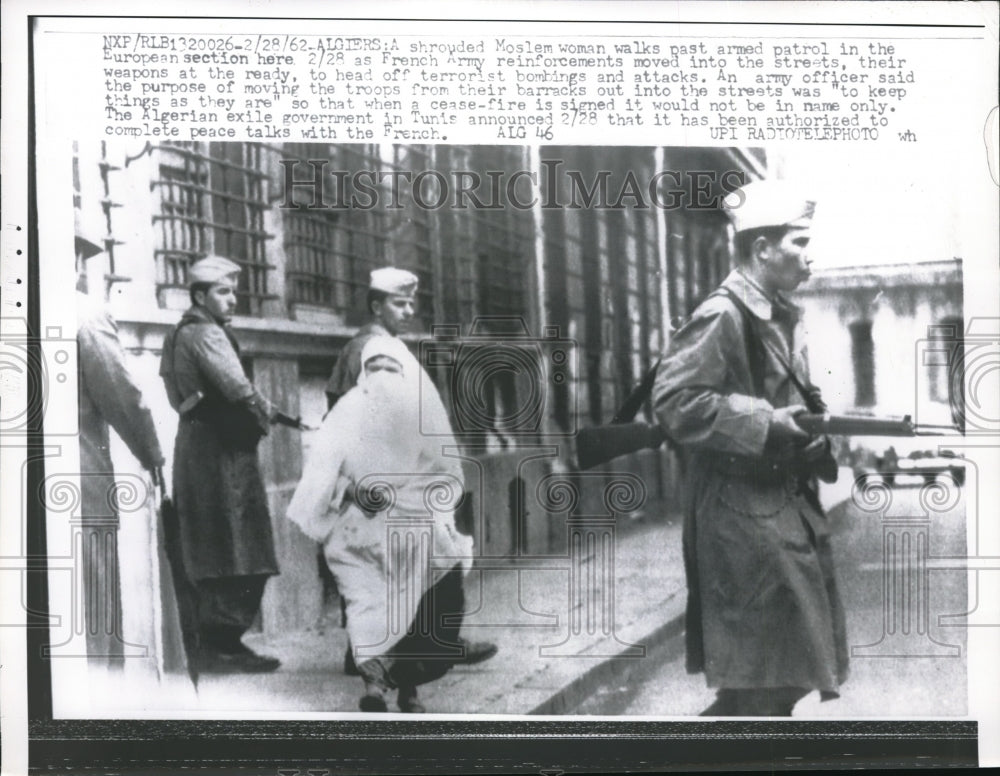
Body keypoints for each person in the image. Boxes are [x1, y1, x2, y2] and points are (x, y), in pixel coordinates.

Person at [652, 180, 849, 716]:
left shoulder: (776, 314)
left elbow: (788, 404)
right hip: (741, 516)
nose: (810, 257)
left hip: (778, 508)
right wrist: (767, 423)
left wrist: (812, 432)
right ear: (762, 249)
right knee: (768, 676)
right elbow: (675, 402)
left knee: (781, 672)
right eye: (800, 243)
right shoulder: (724, 313)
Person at [288, 336, 481, 712]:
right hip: (368, 529)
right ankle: (383, 688)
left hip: (401, 526)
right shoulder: (350, 409)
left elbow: (446, 473)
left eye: (389, 369)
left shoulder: (414, 409)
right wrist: (352, 490)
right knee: (373, 605)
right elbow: (322, 473)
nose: (382, 377)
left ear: (404, 373)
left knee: (401, 608)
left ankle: (400, 689)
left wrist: (414, 499)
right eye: (374, 369)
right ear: (363, 373)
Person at [324, 267, 496, 675]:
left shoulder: (374, 347)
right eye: (398, 303)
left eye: (409, 303)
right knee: (433, 555)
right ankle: (437, 644)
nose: (408, 310)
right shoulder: (371, 351)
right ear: (375, 305)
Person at [159, 255, 281, 674]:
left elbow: (175, 393)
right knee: (242, 543)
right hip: (222, 450)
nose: (232, 299)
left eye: (233, 291)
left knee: (212, 541)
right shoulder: (207, 334)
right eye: (223, 292)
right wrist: (267, 416)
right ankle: (222, 643)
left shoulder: (178, 333)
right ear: (200, 295)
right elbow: (238, 388)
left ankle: (218, 641)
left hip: (195, 445)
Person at [75, 214, 164, 663]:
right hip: (80, 487)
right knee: (93, 607)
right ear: (74, 259)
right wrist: (152, 456)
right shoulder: (85, 315)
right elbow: (123, 398)